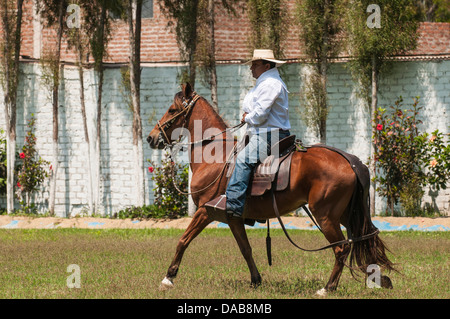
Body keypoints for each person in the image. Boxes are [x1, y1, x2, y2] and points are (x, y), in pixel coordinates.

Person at [207, 49, 291, 218]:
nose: (251, 68)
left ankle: (234, 206)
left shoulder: (270, 84)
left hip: (269, 134)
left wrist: (247, 118)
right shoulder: (264, 82)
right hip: (261, 133)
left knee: (243, 161)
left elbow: (260, 115)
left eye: (255, 64)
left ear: (267, 66)